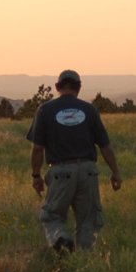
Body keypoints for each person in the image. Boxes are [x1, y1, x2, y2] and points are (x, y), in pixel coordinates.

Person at [27, 69, 122, 251]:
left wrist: (36, 175)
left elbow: (38, 148)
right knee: (88, 222)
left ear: (57, 87)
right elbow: (105, 146)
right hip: (88, 172)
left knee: (52, 217)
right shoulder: (89, 110)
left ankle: (61, 240)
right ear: (79, 87)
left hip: (60, 172)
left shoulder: (45, 110)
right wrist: (115, 173)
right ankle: (84, 263)